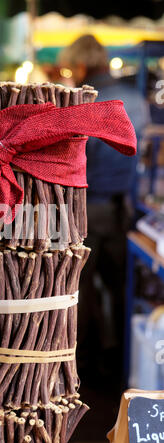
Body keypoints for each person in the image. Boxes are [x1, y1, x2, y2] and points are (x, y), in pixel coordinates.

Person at [58, 35, 150, 385]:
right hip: (122, 208)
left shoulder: (83, 101)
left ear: (81, 64)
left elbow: (74, 160)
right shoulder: (135, 99)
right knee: (120, 285)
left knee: (78, 289)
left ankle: (85, 367)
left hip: (86, 206)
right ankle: (122, 363)